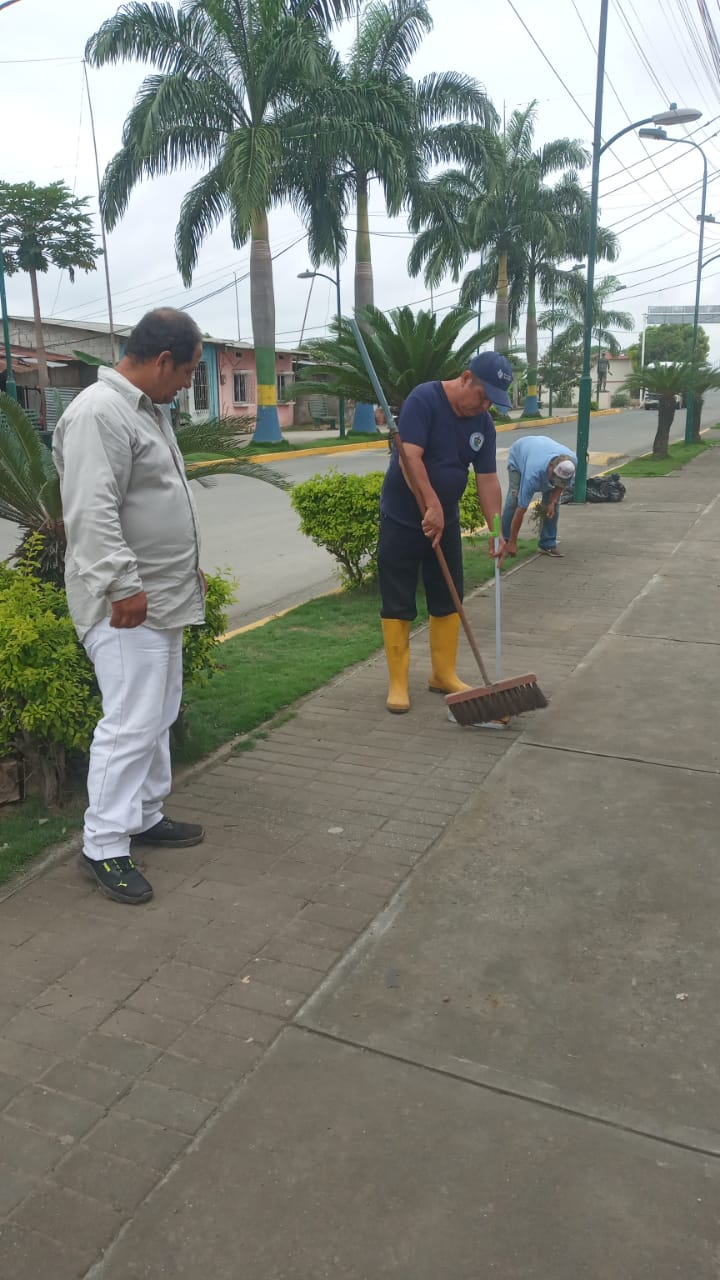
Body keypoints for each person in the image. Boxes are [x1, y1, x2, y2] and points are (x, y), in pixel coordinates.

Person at [53, 309, 208, 906]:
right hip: (125, 604)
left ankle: (143, 814)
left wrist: (184, 565)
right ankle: (103, 843)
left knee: (158, 712)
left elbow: (154, 500)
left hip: (162, 594)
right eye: (188, 372)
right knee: (129, 721)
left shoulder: (148, 410)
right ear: (163, 360)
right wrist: (122, 586)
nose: (187, 384)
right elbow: (91, 511)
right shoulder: (99, 413)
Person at [377, 352, 513, 714]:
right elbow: (410, 458)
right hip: (403, 519)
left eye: (492, 402)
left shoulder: (483, 424)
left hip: (446, 521)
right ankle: (398, 683)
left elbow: (487, 480)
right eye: (482, 396)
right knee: (398, 598)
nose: (485, 406)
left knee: (448, 596)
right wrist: (431, 505)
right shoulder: (424, 399)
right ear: (466, 378)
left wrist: (496, 530)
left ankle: (443, 674)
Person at [502, 435, 577, 559]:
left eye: (560, 480)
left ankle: (547, 544)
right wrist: (513, 542)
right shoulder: (532, 474)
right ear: (551, 466)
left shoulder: (571, 463)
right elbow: (521, 510)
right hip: (519, 455)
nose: (555, 483)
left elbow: (561, 485)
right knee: (514, 501)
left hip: (540, 448)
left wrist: (552, 502)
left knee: (553, 506)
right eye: (555, 478)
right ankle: (504, 542)